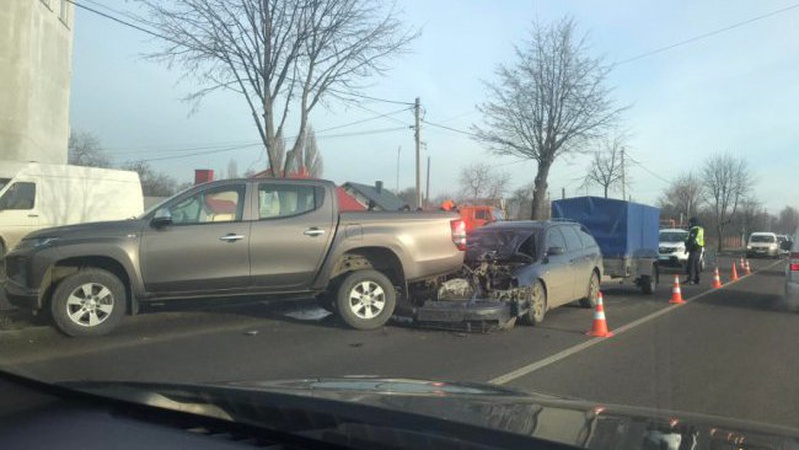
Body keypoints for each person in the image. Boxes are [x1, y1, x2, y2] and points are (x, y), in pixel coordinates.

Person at [684, 217, 705, 285]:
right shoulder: (700, 229)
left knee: (691, 264)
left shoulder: (694, 229)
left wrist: (687, 249)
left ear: (693, 222)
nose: (689, 224)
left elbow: (691, 240)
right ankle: (697, 279)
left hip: (694, 249)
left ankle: (691, 279)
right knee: (696, 264)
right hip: (699, 248)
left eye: (690, 222)